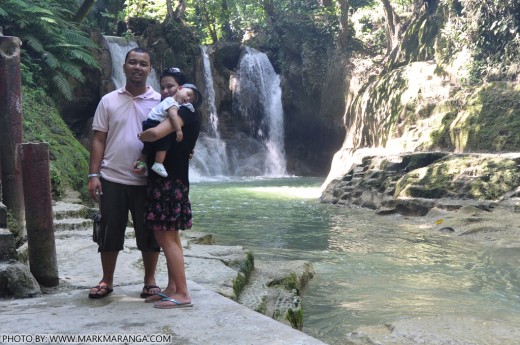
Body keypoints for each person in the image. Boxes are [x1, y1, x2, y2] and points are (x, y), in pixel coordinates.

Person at [87, 47, 162, 299]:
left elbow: (173, 138)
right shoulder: (108, 100)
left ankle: (150, 281)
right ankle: (106, 280)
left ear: (150, 69)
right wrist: (93, 175)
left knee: (149, 232)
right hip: (112, 178)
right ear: (124, 66)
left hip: (147, 181)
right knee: (109, 231)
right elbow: (99, 139)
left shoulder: (161, 102)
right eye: (133, 62)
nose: (137, 67)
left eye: (143, 64)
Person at [136, 83, 202, 309]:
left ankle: (183, 293)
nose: (166, 91)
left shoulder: (184, 109)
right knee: (169, 237)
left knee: (165, 237)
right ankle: (173, 288)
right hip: (169, 181)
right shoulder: (176, 108)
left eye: (190, 96)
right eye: (163, 86)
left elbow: (155, 133)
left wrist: (141, 134)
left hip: (170, 182)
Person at [137, 81, 202, 178]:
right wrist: (178, 130)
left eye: (190, 100)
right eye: (188, 94)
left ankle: (141, 163)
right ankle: (158, 164)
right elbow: (172, 116)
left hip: (149, 122)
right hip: (154, 124)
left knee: (147, 147)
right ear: (179, 88)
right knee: (164, 144)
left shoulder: (171, 103)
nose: (187, 99)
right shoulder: (172, 103)